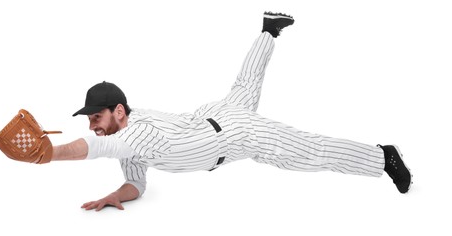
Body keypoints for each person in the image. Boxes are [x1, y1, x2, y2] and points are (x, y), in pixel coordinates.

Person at [51, 12, 412, 211]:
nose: (92, 124)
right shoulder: (129, 134)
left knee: (309, 151)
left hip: (239, 136)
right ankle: (268, 31)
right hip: (217, 115)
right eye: (89, 118)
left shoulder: (135, 133)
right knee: (246, 84)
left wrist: (47, 154)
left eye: (96, 117)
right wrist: (119, 194)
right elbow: (136, 182)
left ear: (118, 111)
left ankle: (383, 159)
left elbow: (97, 148)